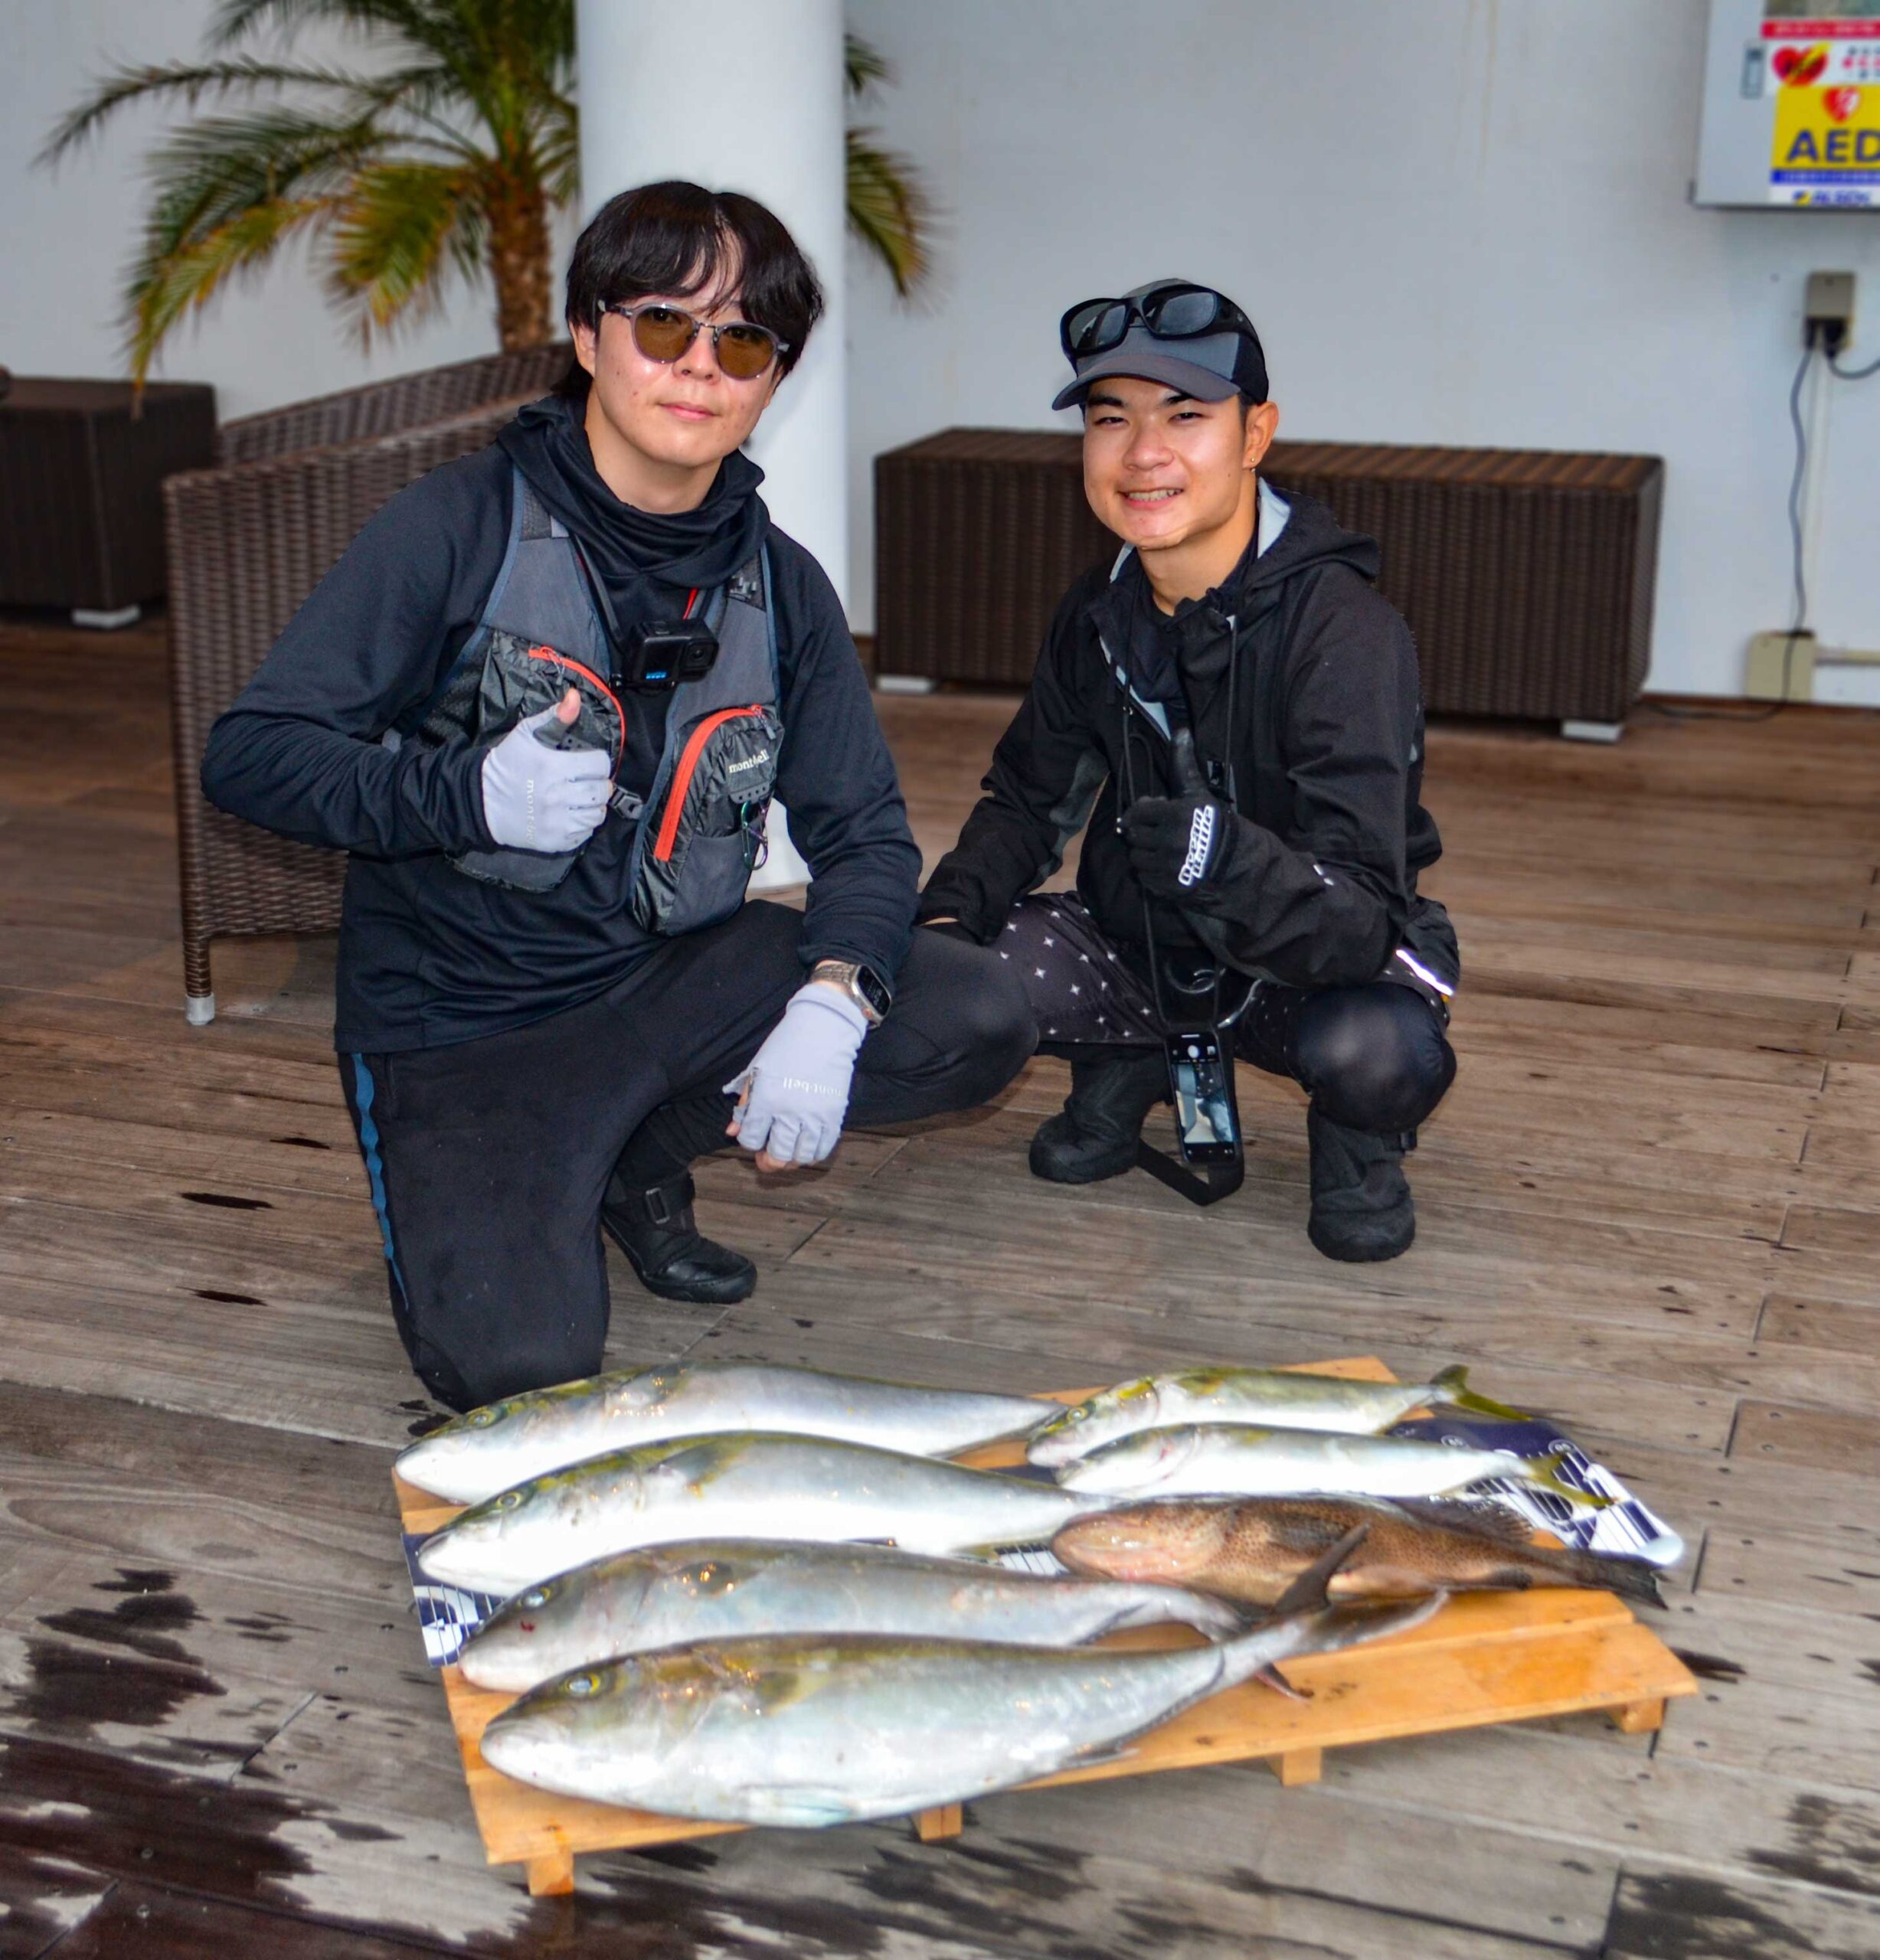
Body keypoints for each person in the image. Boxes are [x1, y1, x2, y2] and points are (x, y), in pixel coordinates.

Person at [201, 181, 1034, 1411]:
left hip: (667, 982)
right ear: (589, 338)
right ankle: (546, 1177)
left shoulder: (781, 584)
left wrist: (834, 1001)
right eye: (662, 326)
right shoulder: (454, 528)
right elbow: (252, 753)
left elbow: (861, 831)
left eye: (742, 341)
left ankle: (641, 1154)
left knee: (975, 1013)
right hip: (465, 1023)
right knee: (517, 1369)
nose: (700, 367)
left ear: (769, 380)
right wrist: (458, 794)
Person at [918, 280, 1457, 1261]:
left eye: (1185, 415)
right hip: (1146, 948)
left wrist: (1224, 857)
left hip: (1314, 968)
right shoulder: (1097, 612)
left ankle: (1357, 1142)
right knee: (954, 985)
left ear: (1256, 435)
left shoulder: (1347, 632)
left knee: (1378, 1053)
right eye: (1109, 418)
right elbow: (1028, 801)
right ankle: (1137, 1053)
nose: (1142, 453)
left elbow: (1359, 909)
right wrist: (944, 923)